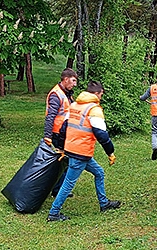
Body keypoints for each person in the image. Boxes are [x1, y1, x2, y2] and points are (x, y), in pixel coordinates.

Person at [47, 81, 120, 222]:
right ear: (97, 93)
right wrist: (110, 152)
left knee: (99, 173)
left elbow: (63, 128)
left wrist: (62, 147)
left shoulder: (74, 105)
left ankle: (104, 203)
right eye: (101, 94)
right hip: (81, 152)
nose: (101, 97)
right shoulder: (94, 110)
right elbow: (102, 135)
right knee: (68, 183)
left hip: (74, 150)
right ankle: (54, 213)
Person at [44, 68, 77, 197]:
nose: (75, 84)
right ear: (66, 79)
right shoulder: (56, 94)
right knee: (64, 162)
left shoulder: (66, 94)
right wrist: (47, 136)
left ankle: (58, 189)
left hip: (64, 133)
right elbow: (50, 116)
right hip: (58, 134)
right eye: (73, 81)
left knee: (63, 161)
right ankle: (58, 190)